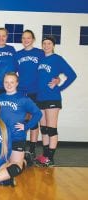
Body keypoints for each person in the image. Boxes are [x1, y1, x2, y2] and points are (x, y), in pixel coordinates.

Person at [35, 36, 77, 167]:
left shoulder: (57, 59)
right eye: (44, 43)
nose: (46, 45)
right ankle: (45, 155)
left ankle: (50, 158)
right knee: (44, 129)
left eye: (49, 43)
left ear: (53, 45)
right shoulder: (40, 58)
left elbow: (72, 75)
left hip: (52, 98)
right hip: (40, 98)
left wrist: (60, 86)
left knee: (52, 129)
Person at [0, 73, 42, 172]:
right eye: (6, 82)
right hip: (1, 137)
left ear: (17, 83)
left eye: (12, 82)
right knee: (1, 166)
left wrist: (26, 126)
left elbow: (38, 114)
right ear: (3, 83)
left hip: (17, 137)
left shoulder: (23, 99)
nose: (9, 85)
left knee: (15, 167)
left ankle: (24, 160)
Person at [15, 30, 45, 159]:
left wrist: (57, 78)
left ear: (33, 39)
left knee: (34, 120)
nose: (26, 40)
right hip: (22, 91)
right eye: (23, 38)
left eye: (28, 38)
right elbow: (12, 71)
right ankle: (21, 146)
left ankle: (32, 149)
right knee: (23, 119)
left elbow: (48, 68)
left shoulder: (39, 53)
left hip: (35, 91)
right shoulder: (18, 54)